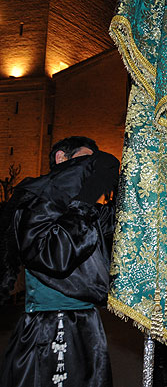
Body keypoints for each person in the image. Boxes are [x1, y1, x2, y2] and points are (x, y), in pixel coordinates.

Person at [0, 136, 119, 387]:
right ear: (61, 158)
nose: (89, 171)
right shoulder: (34, 201)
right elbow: (55, 258)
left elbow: (120, 224)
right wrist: (87, 198)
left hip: (87, 324)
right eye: (85, 162)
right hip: (51, 324)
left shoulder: (80, 207)